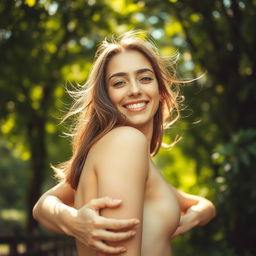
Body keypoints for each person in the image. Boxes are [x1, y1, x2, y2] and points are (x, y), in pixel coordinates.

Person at [33, 31, 216, 256]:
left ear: (160, 90)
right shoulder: (126, 142)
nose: (135, 90)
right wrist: (73, 221)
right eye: (119, 82)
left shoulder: (136, 159)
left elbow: (44, 205)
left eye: (145, 78)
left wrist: (197, 214)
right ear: (106, 96)